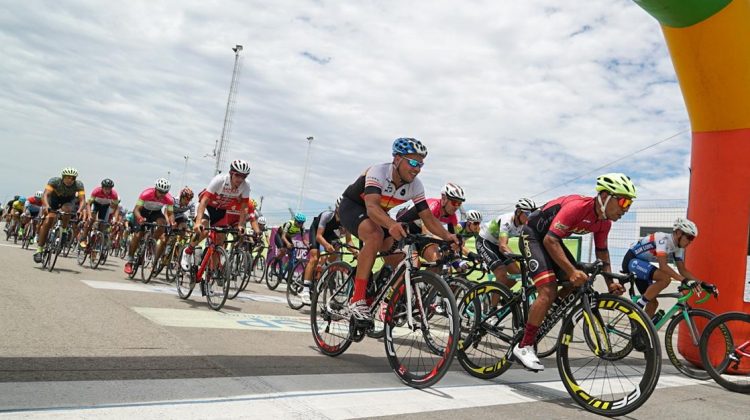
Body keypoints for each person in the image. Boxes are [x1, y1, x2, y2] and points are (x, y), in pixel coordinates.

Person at [513, 173, 634, 371]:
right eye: (622, 201)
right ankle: (524, 345)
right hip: (534, 236)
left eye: (629, 204)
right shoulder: (577, 207)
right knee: (548, 290)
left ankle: (547, 312)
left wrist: (610, 281)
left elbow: (602, 252)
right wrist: (571, 271)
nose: (625, 209)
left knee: (578, 282)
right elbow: (549, 240)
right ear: (604, 196)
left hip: (551, 239)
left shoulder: (604, 222)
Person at [338, 137, 459, 320]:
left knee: (399, 257)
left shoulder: (416, 186)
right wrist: (392, 224)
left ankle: (378, 290)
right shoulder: (378, 172)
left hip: (379, 215)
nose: (417, 169)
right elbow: (371, 207)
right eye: (413, 162)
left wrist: (448, 236)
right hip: (354, 207)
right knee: (375, 235)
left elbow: (428, 218)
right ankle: (357, 299)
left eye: (420, 164)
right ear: (397, 159)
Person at [181, 159, 255, 271]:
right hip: (207, 207)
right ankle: (188, 251)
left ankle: (211, 272)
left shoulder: (245, 185)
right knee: (204, 231)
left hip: (221, 210)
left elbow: (244, 207)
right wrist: (197, 222)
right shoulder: (220, 180)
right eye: (238, 175)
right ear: (231, 173)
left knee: (220, 240)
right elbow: (204, 200)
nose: (240, 179)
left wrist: (241, 225)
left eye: (244, 176)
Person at [622, 217, 702, 318]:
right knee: (664, 278)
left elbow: (682, 270)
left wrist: (701, 283)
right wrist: (684, 280)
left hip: (641, 264)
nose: (690, 242)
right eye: (689, 237)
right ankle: (638, 306)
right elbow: (663, 266)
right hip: (631, 261)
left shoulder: (678, 248)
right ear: (678, 233)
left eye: (692, 239)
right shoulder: (663, 239)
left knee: (653, 304)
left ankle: (640, 332)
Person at [300, 197, 357, 304]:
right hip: (317, 231)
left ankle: (324, 271)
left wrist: (356, 253)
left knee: (336, 248)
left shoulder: (346, 222)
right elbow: (318, 236)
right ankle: (305, 289)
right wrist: (326, 245)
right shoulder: (327, 215)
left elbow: (349, 241)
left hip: (330, 234)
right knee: (315, 257)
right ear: (337, 209)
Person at [476, 198, 537, 287]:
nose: (530, 217)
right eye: (528, 214)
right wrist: (520, 259)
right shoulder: (507, 220)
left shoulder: (524, 225)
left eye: (532, 214)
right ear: (519, 212)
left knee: (517, 275)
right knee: (501, 273)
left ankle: (503, 296)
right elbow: (503, 246)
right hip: (485, 241)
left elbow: (528, 244)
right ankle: (493, 301)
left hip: (497, 244)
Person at [34, 167, 87, 263]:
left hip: (67, 201)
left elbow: (83, 200)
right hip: (53, 200)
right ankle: (39, 250)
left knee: (67, 211)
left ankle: (64, 231)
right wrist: (46, 206)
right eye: (67, 177)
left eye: (72, 178)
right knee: (48, 220)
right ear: (63, 177)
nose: (70, 180)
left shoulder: (79, 184)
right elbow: (45, 195)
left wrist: (79, 210)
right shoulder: (54, 181)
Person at [125, 178, 175, 275]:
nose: (161, 194)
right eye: (160, 191)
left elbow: (170, 213)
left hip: (156, 213)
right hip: (142, 212)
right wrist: (140, 218)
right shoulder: (146, 194)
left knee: (163, 224)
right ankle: (129, 262)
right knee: (138, 235)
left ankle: (151, 241)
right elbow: (136, 209)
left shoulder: (168, 199)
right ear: (155, 189)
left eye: (164, 192)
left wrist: (172, 222)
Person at [80, 178, 119, 248]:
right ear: (102, 187)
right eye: (105, 188)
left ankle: (96, 244)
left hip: (105, 207)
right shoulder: (96, 191)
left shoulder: (114, 194)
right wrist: (89, 215)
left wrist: (113, 217)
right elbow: (88, 204)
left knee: (102, 226)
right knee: (91, 220)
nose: (107, 190)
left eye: (109, 189)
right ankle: (83, 237)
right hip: (96, 205)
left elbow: (116, 207)